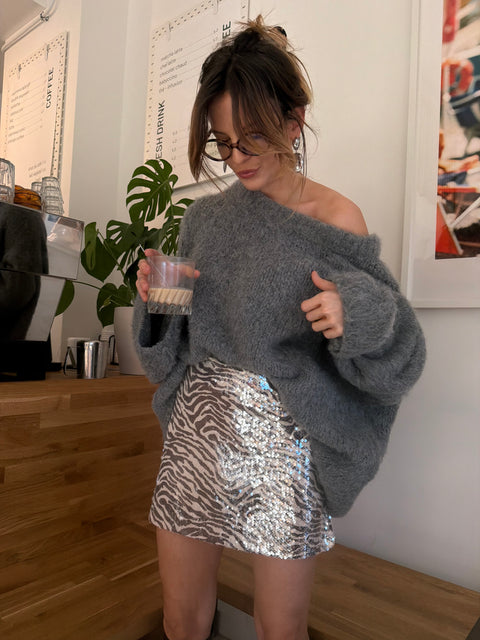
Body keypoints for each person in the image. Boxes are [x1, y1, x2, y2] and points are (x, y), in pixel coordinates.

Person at [134, 16, 426, 640]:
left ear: (294, 123)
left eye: (253, 139)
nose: (236, 159)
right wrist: (159, 301)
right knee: (181, 619)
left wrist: (354, 313)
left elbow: (398, 352)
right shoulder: (204, 221)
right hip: (197, 430)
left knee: (282, 627)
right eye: (223, 143)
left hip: (284, 444)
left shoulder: (337, 219)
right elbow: (167, 357)